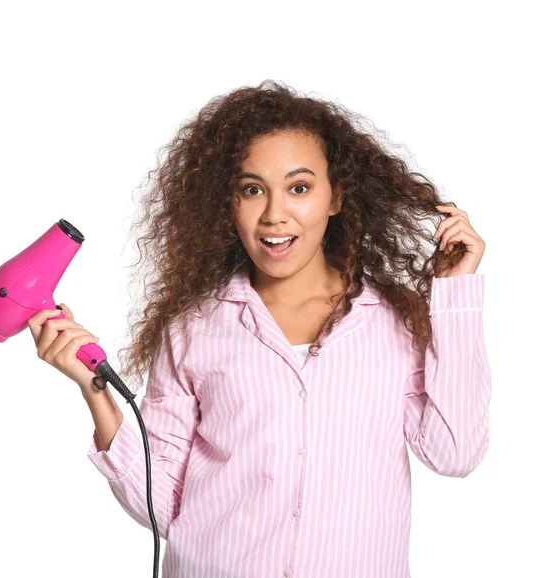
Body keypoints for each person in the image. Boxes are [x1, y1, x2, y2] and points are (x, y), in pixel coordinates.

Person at [28, 80, 491, 578]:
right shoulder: (194, 329)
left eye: (299, 187)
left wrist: (453, 295)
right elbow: (163, 508)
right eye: (252, 190)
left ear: (335, 197)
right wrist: (95, 392)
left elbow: (455, 452)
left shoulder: (393, 323)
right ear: (228, 203)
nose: (274, 214)